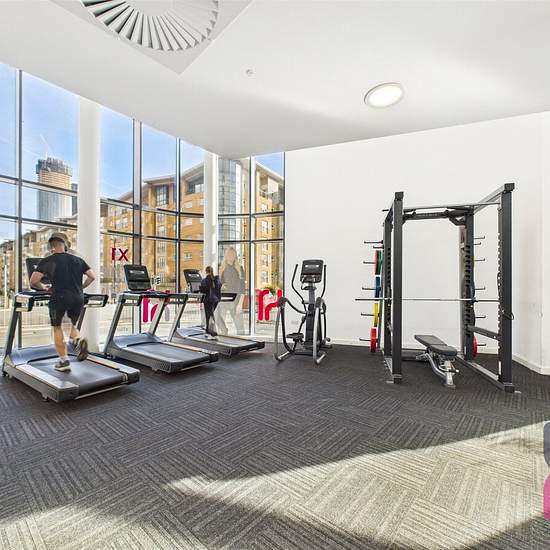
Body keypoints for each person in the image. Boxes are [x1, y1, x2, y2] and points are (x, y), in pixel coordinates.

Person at [29, 234, 96, 372]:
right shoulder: (78, 260)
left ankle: (63, 361)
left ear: (51, 248)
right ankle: (78, 339)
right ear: (64, 246)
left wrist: (44, 288)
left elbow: (33, 281)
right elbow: (92, 276)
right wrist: (81, 287)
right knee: (70, 325)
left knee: (57, 327)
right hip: (78, 298)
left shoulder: (48, 260)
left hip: (59, 297)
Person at [218, 247, 246, 334]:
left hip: (236, 301)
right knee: (220, 326)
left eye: (233, 254)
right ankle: (224, 334)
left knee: (240, 329)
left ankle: (241, 341)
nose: (231, 256)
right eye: (229, 254)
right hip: (223, 300)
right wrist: (221, 286)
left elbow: (243, 288)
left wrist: (240, 304)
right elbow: (217, 284)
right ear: (226, 256)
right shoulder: (221, 268)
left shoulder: (240, 268)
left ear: (235, 256)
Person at [199, 266, 222, 338]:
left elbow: (203, 290)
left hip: (208, 300)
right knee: (209, 315)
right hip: (216, 300)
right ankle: (207, 331)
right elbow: (219, 287)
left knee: (209, 316)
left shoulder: (204, 280)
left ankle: (213, 333)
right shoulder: (217, 280)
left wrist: (199, 287)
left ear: (206, 271)